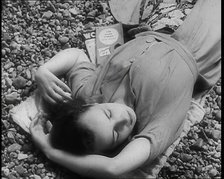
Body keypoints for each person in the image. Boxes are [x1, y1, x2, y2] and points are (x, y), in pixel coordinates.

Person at [30, 0, 221, 178]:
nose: (123, 120)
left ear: (89, 106)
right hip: (201, 40)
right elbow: (114, 167)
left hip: (160, 23)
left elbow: (76, 56)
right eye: (115, 134)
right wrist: (51, 152)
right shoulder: (154, 127)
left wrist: (44, 71)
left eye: (108, 114)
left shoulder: (88, 93)